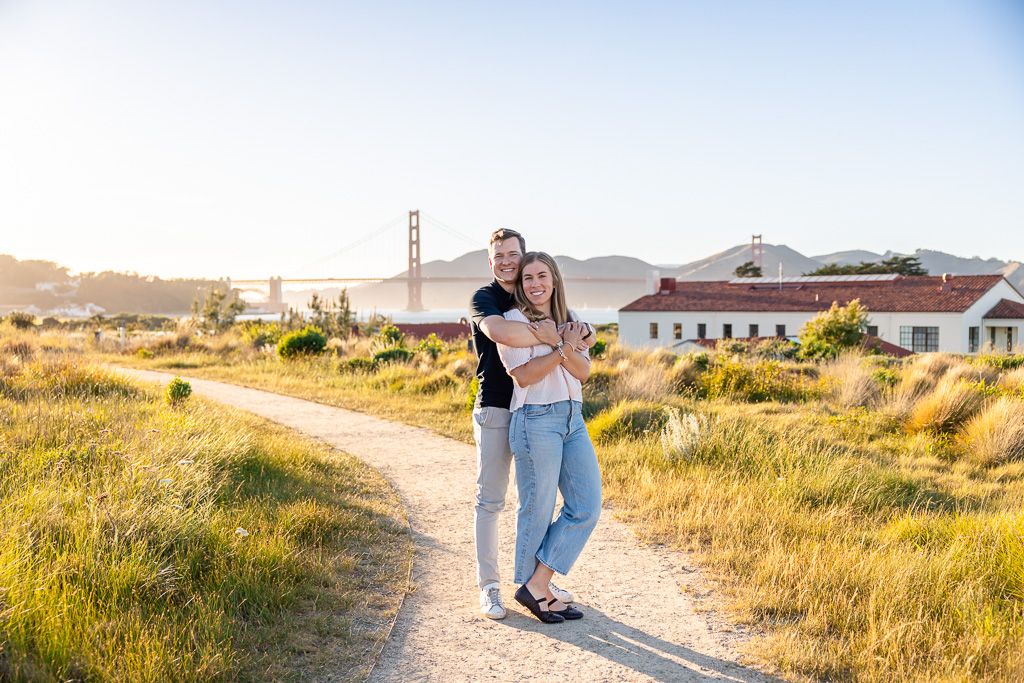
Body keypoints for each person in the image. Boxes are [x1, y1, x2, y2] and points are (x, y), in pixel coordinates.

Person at [469, 230, 592, 619]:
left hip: (559, 412)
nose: (506, 261)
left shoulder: (553, 307)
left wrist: (566, 336)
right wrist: (563, 340)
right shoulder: (488, 300)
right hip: (500, 408)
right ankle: (491, 587)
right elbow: (503, 333)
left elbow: (583, 358)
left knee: (545, 502)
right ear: (491, 262)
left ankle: (537, 581)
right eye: (499, 256)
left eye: (513, 255)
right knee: (493, 500)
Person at [497, 252, 602, 624]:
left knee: (587, 505)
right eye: (527, 278)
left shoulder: (571, 321)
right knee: (537, 509)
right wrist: (563, 347)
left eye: (542, 275)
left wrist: (560, 344)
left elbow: (583, 371)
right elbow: (525, 376)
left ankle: (538, 585)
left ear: (554, 279)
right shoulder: (513, 321)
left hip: (574, 419)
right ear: (521, 285)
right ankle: (535, 593)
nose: (535, 283)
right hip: (535, 419)